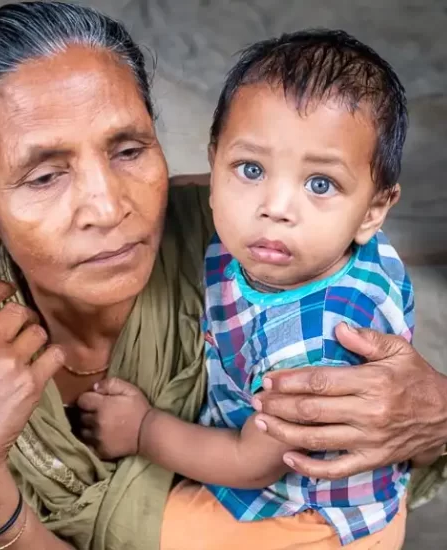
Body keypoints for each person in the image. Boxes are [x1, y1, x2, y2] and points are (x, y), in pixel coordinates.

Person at [0, 3, 447, 550]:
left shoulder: (255, 242)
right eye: (45, 176)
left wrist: (444, 415)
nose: (107, 208)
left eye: (129, 150)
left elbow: (398, 440)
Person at [81, 29, 414, 550]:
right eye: (251, 169)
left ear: (373, 210)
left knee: (121, 530)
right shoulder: (296, 242)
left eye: (320, 183)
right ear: (215, 164)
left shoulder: (317, 343)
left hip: (311, 516)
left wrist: (142, 428)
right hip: (263, 451)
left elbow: (249, 462)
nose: (275, 206)